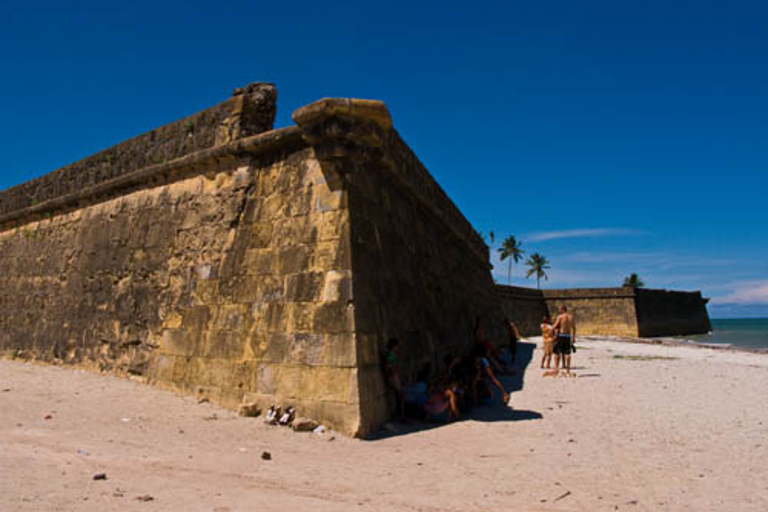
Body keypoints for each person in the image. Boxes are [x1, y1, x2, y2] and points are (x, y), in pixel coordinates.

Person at [384, 337, 406, 420]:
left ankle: (400, 415)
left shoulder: (392, 354)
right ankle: (402, 416)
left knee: (399, 396)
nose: (398, 348)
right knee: (401, 396)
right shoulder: (391, 355)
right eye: (397, 346)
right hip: (393, 377)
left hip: (393, 377)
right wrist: (392, 374)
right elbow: (388, 367)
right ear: (393, 346)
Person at [551, 305, 577, 374]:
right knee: (567, 353)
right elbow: (574, 328)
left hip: (561, 336)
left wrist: (550, 331)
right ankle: (568, 369)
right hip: (568, 336)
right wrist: (573, 337)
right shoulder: (571, 317)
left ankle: (556, 368)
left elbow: (555, 325)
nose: (559, 311)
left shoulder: (560, 317)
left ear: (563, 310)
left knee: (556, 352)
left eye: (560, 309)